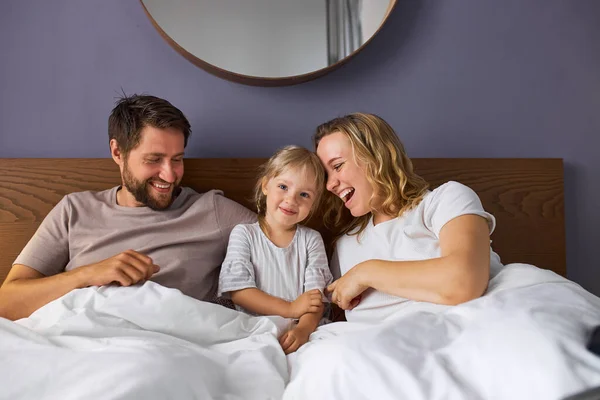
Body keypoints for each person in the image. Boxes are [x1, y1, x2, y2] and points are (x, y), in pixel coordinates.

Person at [0, 94, 256, 321]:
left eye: (177, 159)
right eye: (154, 159)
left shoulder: (213, 211)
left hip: (165, 349)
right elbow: (7, 303)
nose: (169, 175)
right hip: (79, 345)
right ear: (117, 152)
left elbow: (292, 244)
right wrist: (88, 274)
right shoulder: (74, 210)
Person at [313, 112, 504, 323]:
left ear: (377, 155)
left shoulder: (445, 200)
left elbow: (464, 282)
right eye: (325, 175)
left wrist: (366, 272)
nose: (330, 185)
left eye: (338, 166)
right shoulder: (345, 246)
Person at [218, 145, 333, 354]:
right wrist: (290, 309)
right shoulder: (244, 234)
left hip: (305, 331)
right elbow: (240, 292)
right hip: (254, 328)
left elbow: (316, 300)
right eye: (283, 187)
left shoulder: (311, 240)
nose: (291, 199)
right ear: (265, 186)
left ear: (314, 203)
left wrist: (303, 330)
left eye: (304, 194)